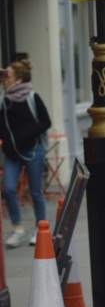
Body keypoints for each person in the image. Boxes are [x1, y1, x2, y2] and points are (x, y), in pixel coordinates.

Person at [1, 59, 50, 248]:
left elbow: (46, 122)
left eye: (8, 76)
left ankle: (40, 229)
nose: (5, 79)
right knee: (9, 189)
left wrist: (24, 136)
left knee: (36, 192)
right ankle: (18, 228)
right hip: (12, 153)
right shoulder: (3, 101)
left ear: (19, 79)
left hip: (32, 151)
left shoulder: (32, 97)